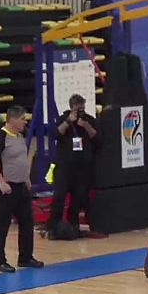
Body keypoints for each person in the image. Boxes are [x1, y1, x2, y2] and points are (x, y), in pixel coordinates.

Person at [0, 105, 43, 272]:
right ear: (12, 120)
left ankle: (25, 257)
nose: (25, 122)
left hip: (21, 186)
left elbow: (21, 160)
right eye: (22, 119)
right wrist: (2, 182)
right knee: (2, 225)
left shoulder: (19, 136)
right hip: (7, 188)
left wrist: (26, 179)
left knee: (27, 222)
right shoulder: (0, 137)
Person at [48, 94, 98, 239]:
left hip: (82, 167)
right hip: (65, 166)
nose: (80, 111)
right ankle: (54, 227)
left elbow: (96, 138)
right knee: (59, 197)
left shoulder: (89, 120)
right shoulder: (63, 119)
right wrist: (68, 122)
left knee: (78, 197)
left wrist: (86, 125)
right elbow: (56, 134)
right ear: (71, 108)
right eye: (77, 109)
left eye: (82, 108)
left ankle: (73, 226)